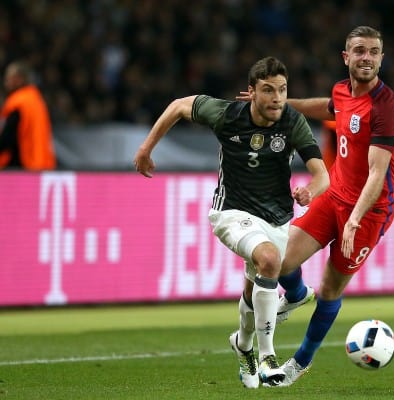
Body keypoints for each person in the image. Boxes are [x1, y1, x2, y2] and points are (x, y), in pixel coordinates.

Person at [133, 56, 329, 388]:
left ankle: (243, 344)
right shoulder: (227, 115)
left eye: (282, 90)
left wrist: (310, 191)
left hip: (277, 218)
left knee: (256, 287)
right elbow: (180, 106)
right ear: (251, 92)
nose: (277, 98)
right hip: (231, 211)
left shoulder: (293, 122)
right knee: (269, 260)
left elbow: (321, 174)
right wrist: (146, 148)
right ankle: (268, 357)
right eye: (268, 90)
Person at [274, 25, 394, 386]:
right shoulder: (342, 90)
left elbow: (377, 173)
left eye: (374, 51)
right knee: (281, 261)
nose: (367, 57)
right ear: (346, 57)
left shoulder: (386, 109)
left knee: (331, 289)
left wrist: (354, 221)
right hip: (334, 195)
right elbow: (329, 107)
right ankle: (297, 295)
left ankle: (300, 362)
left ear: (382, 58)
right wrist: (284, 105)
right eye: (360, 50)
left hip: (370, 211)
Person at [0, 61, 56, 170]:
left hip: (22, 163)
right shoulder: (36, 99)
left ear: (19, 79)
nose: (6, 83)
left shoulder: (18, 103)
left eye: (9, 78)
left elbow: (8, 137)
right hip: (40, 161)